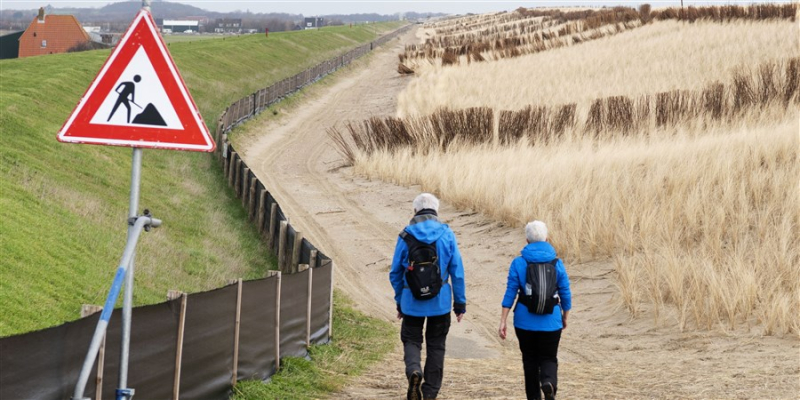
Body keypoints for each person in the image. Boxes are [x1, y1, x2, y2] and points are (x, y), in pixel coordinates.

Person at [390, 193, 466, 400]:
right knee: (436, 346)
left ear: (415, 211)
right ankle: (430, 393)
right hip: (440, 303)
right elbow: (457, 272)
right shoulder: (447, 234)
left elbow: (395, 272)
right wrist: (459, 303)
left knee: (411, 340)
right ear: (436, 211)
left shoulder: (405, 235)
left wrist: (400, 300)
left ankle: (414, 370)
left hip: (411, 301)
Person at [498, 221, 572, 400]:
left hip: (524, 322)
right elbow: (566, 294)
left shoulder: (518, 262)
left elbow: (510, 293)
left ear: (526, 240)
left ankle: (534, 397)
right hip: (551, 321)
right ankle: (548, 382)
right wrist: (565, 316)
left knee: (529, 360)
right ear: (547, 238)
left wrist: (503, 320)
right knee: (549, 358)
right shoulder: (557, 263)